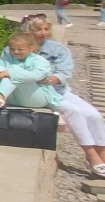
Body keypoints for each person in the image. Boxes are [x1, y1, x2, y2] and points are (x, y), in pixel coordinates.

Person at [9, 15, 105, 176]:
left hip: (57, 89)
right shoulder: (15, 48)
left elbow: (64, 72)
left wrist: (51, 79)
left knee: (94, 115)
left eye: (46, 29)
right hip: (35, 93)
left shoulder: (57, 49)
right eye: (38, 29)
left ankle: (102, 155)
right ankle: (90, 155)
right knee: (74, 112)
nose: (43, 33)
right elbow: (6, 67)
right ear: (28, 30)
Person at [0, 32, 56, 109]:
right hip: (13, 98)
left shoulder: (39, 61)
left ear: (31, 48)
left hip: (36, 99)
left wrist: (9, 73)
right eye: (12, 49)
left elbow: (37, 75)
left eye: (20, 49)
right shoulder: (7, 58)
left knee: (13, 70)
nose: (16, 52)